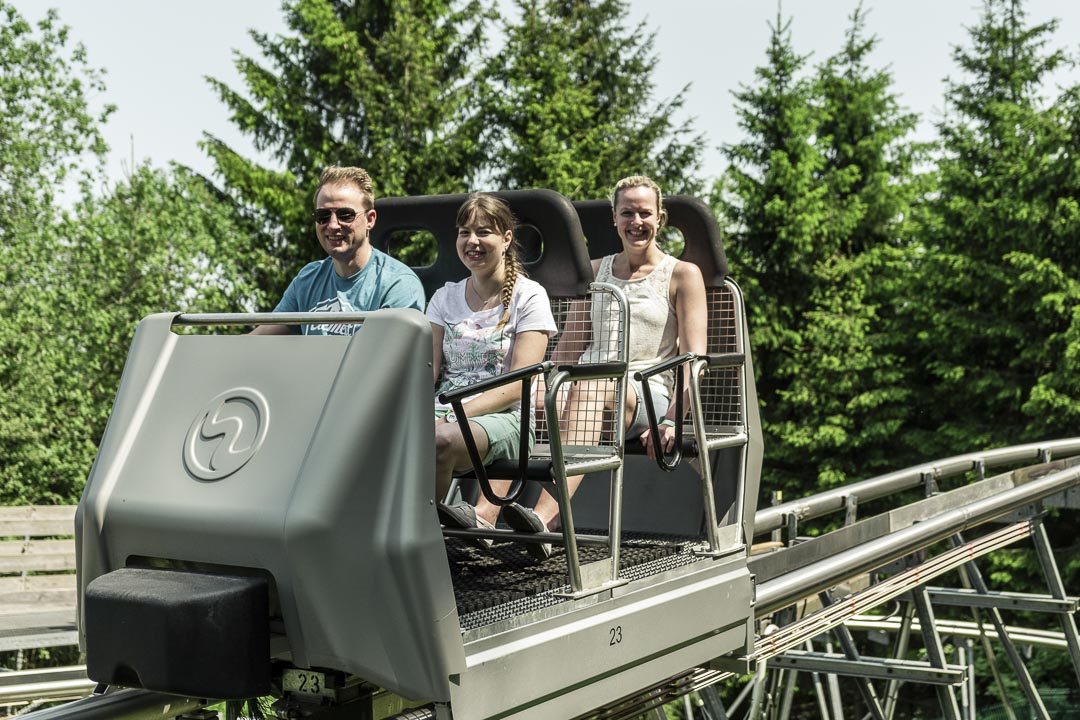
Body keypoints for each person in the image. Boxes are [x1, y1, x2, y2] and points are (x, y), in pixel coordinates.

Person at [499, 175, 708, 560]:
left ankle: (546, 520)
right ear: (614, 217)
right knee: (524, 396)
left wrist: (673, 420)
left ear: (659, 218)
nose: (636, 222)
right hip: (588, 385)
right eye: (627, 213)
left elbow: (694, 361)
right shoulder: (595, 272)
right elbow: (569, 348)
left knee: (591, 388)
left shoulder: (682, 274)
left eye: (645, 213)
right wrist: (540, 390)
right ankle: (483, 514)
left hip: (645, 390)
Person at [429, 193, 557, 547]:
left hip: (507, 419)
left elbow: (518, 384)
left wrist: (452, 416)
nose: (472, 241)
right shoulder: (443, 298)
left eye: (483, 232)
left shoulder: (529, 296)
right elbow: (427, 370)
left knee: (440, 441)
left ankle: (424, 542)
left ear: (506, 239)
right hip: (445, 411)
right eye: (464, 232)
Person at [251, 165, 425, 335]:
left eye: (345, 215)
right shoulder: (307, 280)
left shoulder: (398, 284)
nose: (333, 225)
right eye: (323, 216)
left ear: (370, 219)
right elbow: (257, 339)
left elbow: (386, 352)